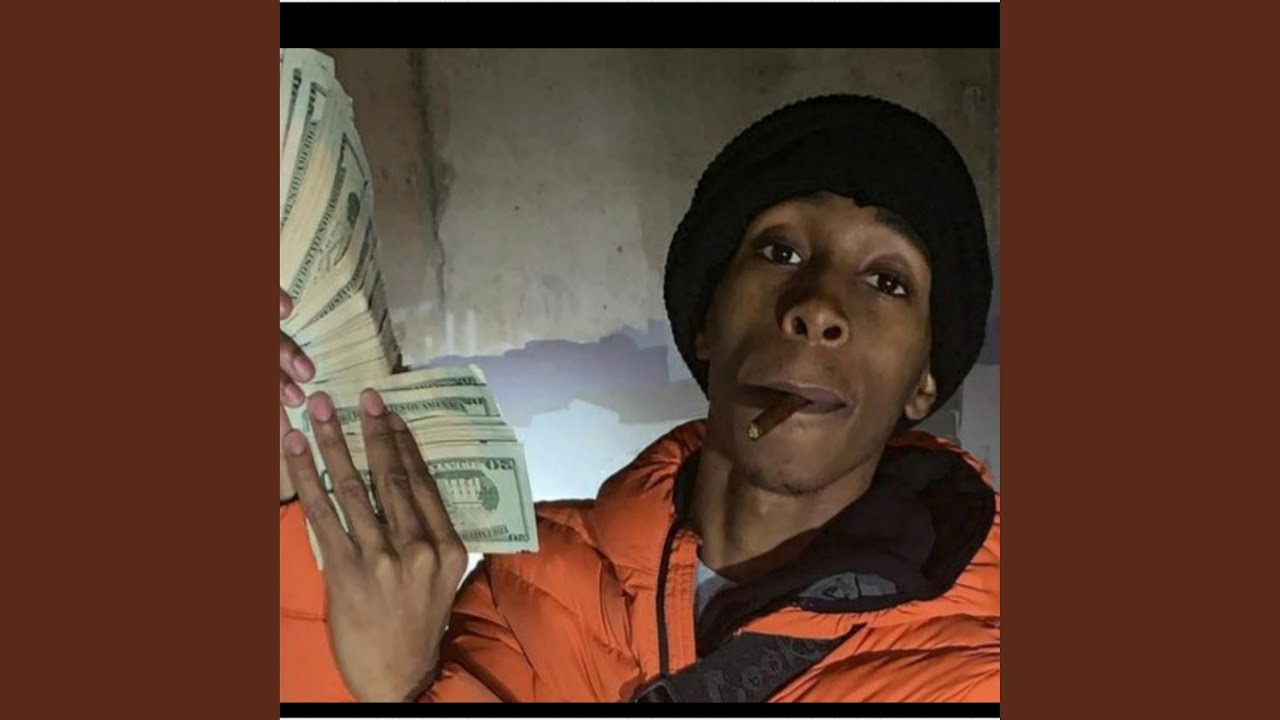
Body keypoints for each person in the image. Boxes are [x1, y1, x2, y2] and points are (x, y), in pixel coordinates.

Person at [278, 94, 999, 703]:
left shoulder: (978, 674)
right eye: (779, 252)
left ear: (924, 381)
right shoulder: (528, 590)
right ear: (707, 321)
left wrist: (397, 689)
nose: (817, 308)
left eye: (887, 283)